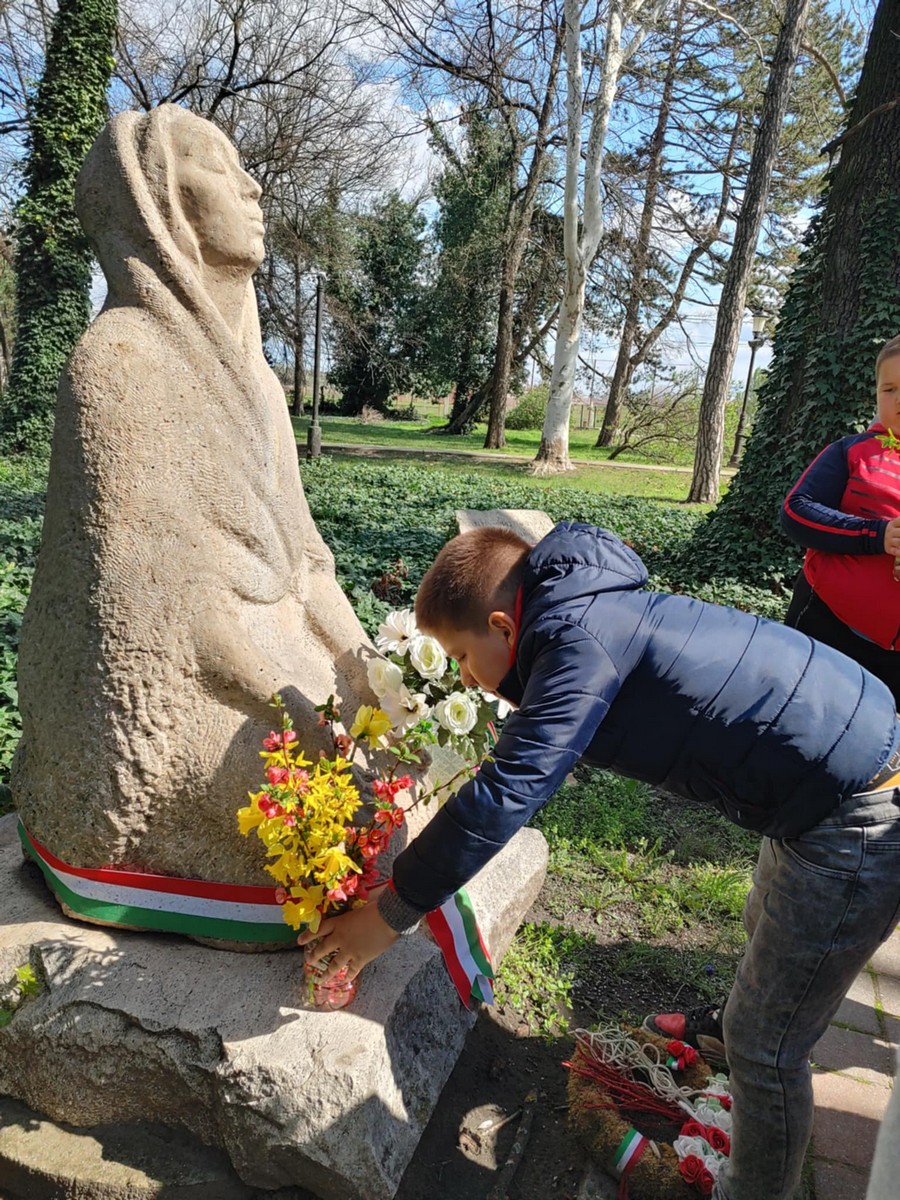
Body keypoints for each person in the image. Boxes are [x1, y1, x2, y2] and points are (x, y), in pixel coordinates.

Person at [299, 520, 900, 1200]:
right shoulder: (583, 604)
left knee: (770, 1046)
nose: (464, 677)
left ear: (502, 625)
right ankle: (733, 1038)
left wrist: (390, 914)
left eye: (463, 657)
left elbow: (509, 790)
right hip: (827, 769)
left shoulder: (577, 642)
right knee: (765, 927)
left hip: (854, 816)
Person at [779, 334, 900, 705]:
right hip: (827, 626)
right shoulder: (852, 452)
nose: (898, 399)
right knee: (798, 717)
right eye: (889, 389)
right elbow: (796, 511)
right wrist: (878, 535)